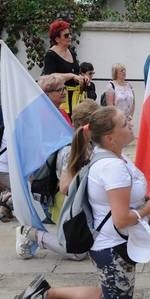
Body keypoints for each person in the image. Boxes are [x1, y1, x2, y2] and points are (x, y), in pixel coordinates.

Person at [8, 106, 150, 299]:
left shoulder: (113, 156)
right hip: (112, 247)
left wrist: (145, 202)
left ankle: (45, 292)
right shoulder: (113, 167)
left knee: (105, 295)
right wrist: (147, 210)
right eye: (124, 123)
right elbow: (121, 219)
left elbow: (119, 199)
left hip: (109, 244)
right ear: (109, 137)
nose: (131, 124)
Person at [15, 99, 101, 259]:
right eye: (97, 124)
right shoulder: (71, 150)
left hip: (76, 202)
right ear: (85, 125)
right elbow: (64, 187)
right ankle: (30, 233)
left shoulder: (87, 145)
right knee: (78, 253)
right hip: (66, 203)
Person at [42, 20, 85, 117]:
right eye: (66, 35)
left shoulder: (71, 52)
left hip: (74, 99)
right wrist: (71, 76)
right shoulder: (50, 55)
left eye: (70, 34)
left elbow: (75, 72)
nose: (70, 37)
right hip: (60, 99)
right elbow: (49, 76)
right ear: (57, 39)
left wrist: (81, 78)